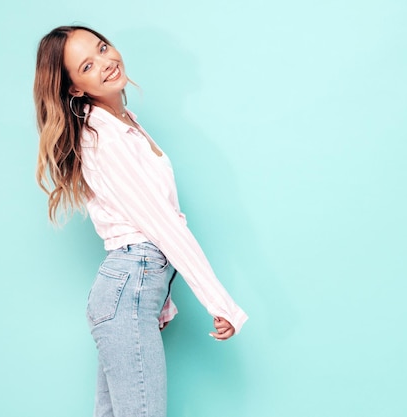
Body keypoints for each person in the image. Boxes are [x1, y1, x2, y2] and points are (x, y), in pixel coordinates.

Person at [33, 25, 248, 417]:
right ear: (76, 88)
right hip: (126, 292)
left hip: (127, 293)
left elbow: (148, 227)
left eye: (102, 47)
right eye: (87, 65)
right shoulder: (105, 136)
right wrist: (220, 303)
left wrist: (159, 303)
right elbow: (163, 226)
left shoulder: (123, 122)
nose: (106, 62)